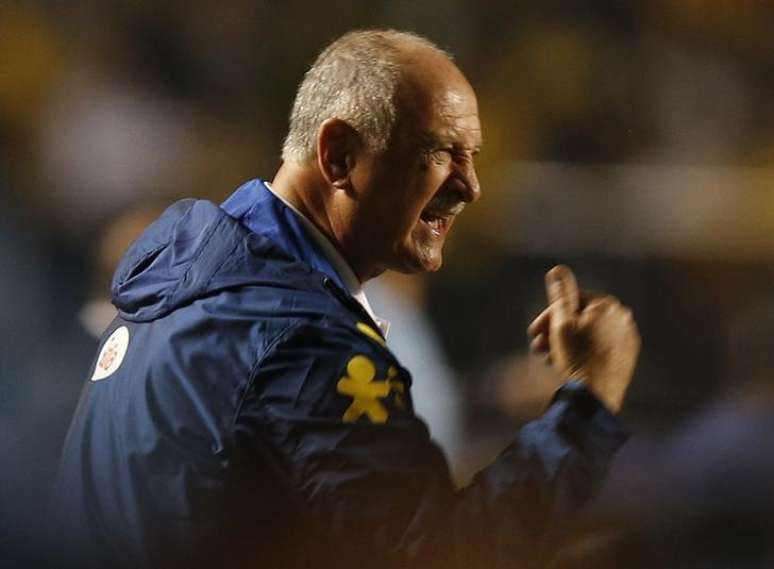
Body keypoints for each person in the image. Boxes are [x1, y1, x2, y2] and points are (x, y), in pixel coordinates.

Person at [49, 30, 640, 569]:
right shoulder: (301, 339)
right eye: (440, 151)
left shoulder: (190, 289)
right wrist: (588, 401)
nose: (470, 186)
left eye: (473, 156)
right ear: (338, 156)